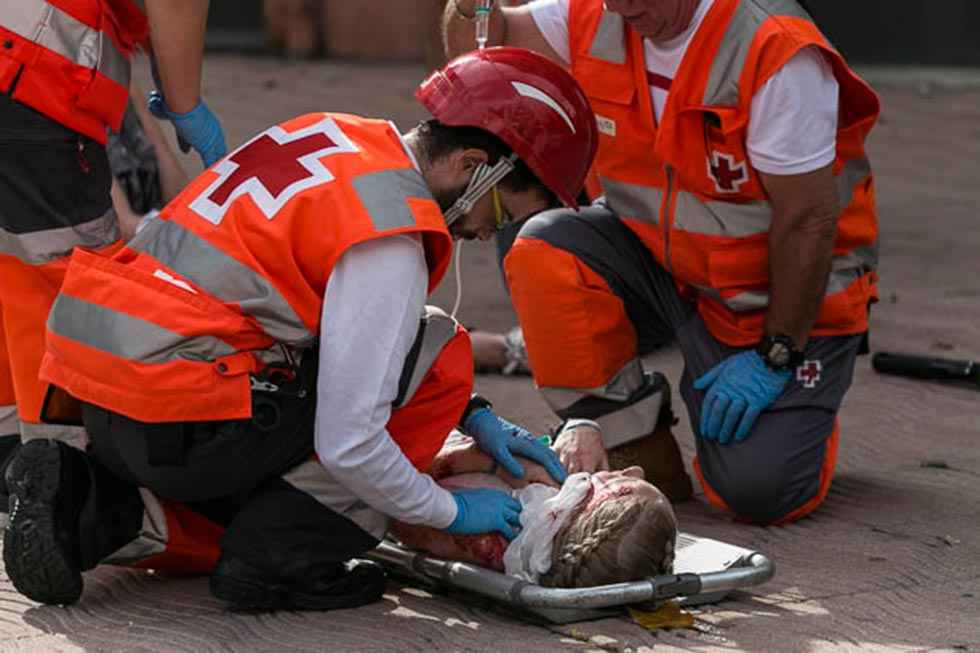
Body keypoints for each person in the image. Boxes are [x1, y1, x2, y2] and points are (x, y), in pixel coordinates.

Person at [3, 47, 598, 611]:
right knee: (439, 353)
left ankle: (88, 505)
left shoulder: (332, 134)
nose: (489, 234)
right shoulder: (390, 239)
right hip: (181, 412)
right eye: (502, 213)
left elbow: (315, 325)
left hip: (102, 390)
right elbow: (351, 442)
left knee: (291, 437)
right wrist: (447, 511)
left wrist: (473, 416)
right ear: (472, 165)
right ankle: (281, 557)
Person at [443, 0, 881, 524]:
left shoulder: (775, 51)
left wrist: (776, 354)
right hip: (662, 261)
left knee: (759, 492)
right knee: (545, 249)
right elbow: (479, 52)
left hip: (769, 300)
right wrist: (468, 5)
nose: (620, 7)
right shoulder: (592, 13)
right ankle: (632, 443)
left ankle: (801, 395)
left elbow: (809, 221)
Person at [0, 0, 226, 454]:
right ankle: (66, 468)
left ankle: (15, 458)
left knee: (13, 272)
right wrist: (185, 104)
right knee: (72, 289)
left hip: (20, 63)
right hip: (29, 73)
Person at [392, 423, 678, 587]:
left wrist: (484, 462)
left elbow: (393, 496)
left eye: (619, 483)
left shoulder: (506, 517)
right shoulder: (535, 539)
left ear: (586, 511)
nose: (635, 470)